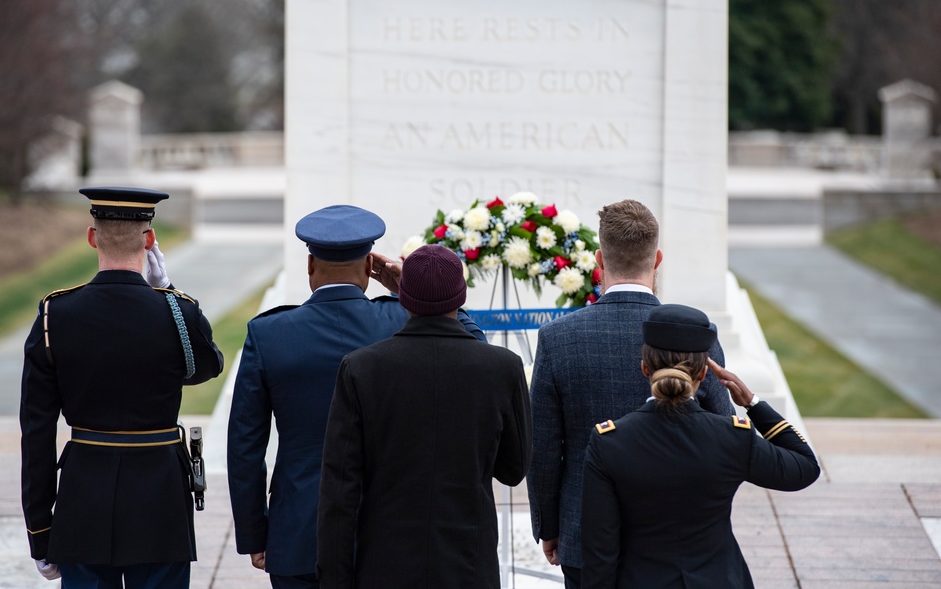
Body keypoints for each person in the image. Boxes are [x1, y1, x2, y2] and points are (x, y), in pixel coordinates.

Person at [226, 205, 484, 589]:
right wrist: (404, 289)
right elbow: (474, 351)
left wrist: (254, 533)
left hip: (300, 532)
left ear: (310, 265)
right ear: (368, 267)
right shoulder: (401, 321)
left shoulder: (270, 334)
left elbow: (245, 446)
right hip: (394, 531)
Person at [20, 187, 224, 588]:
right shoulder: (178, 313)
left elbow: (37, 435)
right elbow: (207, 366)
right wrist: (168, 292)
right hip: (161, 500)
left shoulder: (53, 317)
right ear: (149, 241)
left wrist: (40, 533)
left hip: (84, 501)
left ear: (92, 237)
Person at [527, 198, 734, 587]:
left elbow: (542, 449)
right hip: (679, 537)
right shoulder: (694, 336)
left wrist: (550, 527)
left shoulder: (557, 338)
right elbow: (722, 436)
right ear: (657, 260)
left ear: (598, 261)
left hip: (584, 533)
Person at [316, 244, 532, 587]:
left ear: (403, 300)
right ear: (460, 299)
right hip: (468, 566)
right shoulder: (502, 368)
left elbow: (339, 491)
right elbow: (513, 469)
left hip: (386, 567)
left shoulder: (362, 368)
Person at [580, 304, 821, 588]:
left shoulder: (610, 441)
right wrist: (753, 404)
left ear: (644, 367)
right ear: (704, 374)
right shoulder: (732, 437)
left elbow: (599, 548)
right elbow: (805, 467)